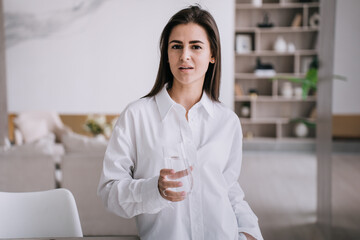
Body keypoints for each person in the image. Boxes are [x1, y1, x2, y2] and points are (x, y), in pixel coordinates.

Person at [97, 5, 263, 240]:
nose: (185, 55)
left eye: (196, 46)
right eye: (176, 46)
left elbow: (228, 189)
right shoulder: (136, 116)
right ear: (167, 54)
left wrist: (249, 232)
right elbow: (109, 192)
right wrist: (154, 190)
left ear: (212, 54)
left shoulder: (227, 121)